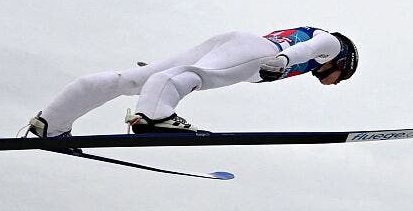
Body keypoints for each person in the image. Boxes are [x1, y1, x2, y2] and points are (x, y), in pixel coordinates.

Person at [23, 27, 358, 137]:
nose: (332, 83)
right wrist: (282, 60)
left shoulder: (317, 46)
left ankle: (51, 121)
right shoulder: (333, 45)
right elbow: (309, 48)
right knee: (198, 77)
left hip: (235, 40)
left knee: (136, 79)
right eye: (341, 77)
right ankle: (154, 116)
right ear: (342, 64)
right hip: (259, 51)